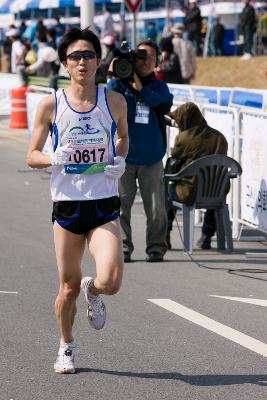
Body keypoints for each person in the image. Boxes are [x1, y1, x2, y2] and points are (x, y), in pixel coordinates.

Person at [26, 27, 128, 374]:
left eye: (88, 55)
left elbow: (123, 137)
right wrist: (53, 158)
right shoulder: (51, 104)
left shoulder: (113, 100)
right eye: (75, 56)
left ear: (100, 61)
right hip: (68, 204)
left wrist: (120, 158)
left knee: (112, 280)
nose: (82, 61)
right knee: (67, 287)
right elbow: (32, 155)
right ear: (65, 64)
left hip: (103, 202)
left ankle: (94, 290)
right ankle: (66, 345)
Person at [107, 40, 173, 263]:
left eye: (151, 57)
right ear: (133, 59)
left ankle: (156, 247)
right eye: (141, 56)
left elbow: (163, 105)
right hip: (122, 156)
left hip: (152, 157)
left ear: (157, 61)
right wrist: (114, 75)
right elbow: (106, 102)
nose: (146, 61)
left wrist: (140, 88)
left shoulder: (159, 87)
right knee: (120, 206)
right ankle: (123, 247)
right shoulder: (119, 86)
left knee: (156, 209)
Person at [166, 102, 228, 250]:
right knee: (212, 193)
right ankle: (207, 235)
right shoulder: (220, 137)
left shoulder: (184, 138)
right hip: (217, 192)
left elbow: (174, 160)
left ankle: (165, 233)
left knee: (167, 190)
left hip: (190, 192)